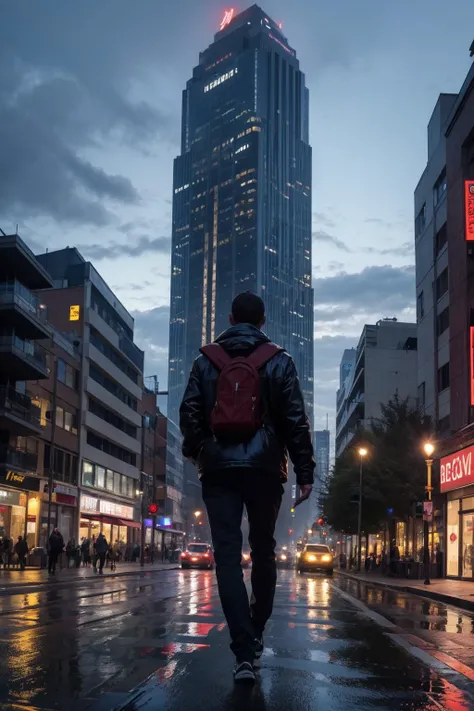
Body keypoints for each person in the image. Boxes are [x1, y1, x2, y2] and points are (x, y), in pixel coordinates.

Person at [180, 291, 315, 682]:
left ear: (230, 317)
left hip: (219, 470)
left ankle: (242, 650)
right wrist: (304, 473)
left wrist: (202, 452)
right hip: (265, 469)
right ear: (263, 321)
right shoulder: (280, 360)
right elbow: (295, 420)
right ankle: (254, 635)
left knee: (226, 555)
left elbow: (189, 414)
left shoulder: (205, 361)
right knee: (263, 551)